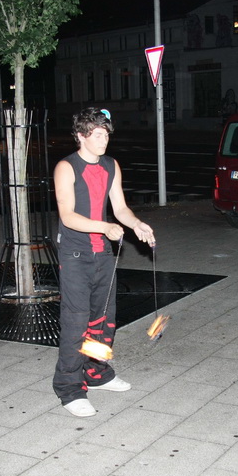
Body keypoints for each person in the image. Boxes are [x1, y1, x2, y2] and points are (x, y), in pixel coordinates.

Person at [52, 108, 155, 417]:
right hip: (75, 256)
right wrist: (104, 227)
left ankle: (96, 373)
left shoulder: (111, 165)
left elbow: (120, 208)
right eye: (97, 134)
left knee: (103, 321)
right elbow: (68, 216)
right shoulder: (66, 167)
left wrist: (136, 224)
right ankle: (69, 388)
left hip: (103, 255)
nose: (104, 140)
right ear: (81, 136)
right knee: (76, 323)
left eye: (106, 134)